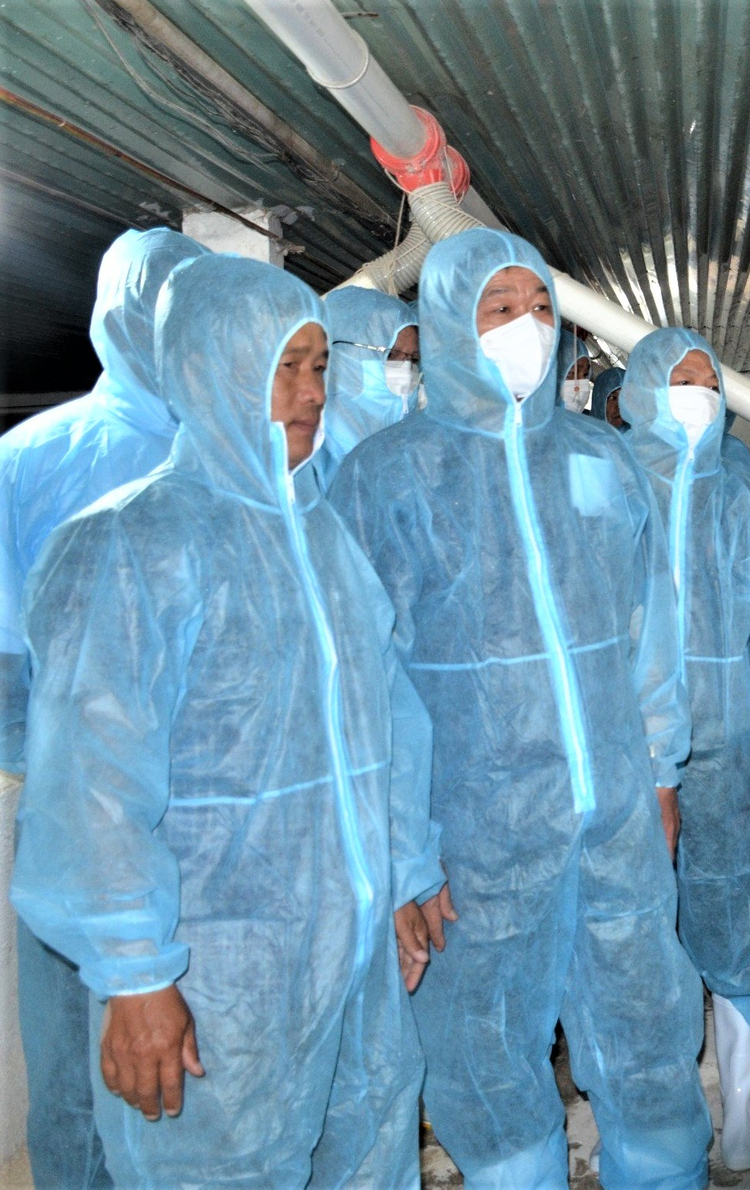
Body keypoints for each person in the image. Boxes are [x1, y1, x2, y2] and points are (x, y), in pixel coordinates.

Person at [9, 254, 441, 1188]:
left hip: (355, 951)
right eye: (283, 366)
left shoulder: (323, 535)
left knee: (367, 1154)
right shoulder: (130, 544)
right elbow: (91, 786)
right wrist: (134, 973)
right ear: (209, 368)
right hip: (217, 978)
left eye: (320, 366)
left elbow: (384, 732)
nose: (310, 393)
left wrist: (402, 874)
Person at [329, 229, 709, 1190]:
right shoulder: (387, 477)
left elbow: (646, 628)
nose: (527, 328)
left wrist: (661, 769)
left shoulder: (599, 458)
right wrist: (408, 856)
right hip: (476, 835)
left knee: (648, 1028)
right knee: (485, 1051)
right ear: (451, 325)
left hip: (616, 812)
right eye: (499, 310)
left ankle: (664, 1174)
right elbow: (368, 688)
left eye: (539, 307)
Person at [0, 225, 207, 1190]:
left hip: (222, 825)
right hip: (82, 822)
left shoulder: (249, 460)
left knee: (196, 1081)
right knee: (84, 1081)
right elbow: (6, 676)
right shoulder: (31, 460)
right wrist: (84, 799)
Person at [624, 328, 750, 1173]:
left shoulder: (745, 500)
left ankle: (739, 1106)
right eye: (679, 379)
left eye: (708, 378)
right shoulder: (608, 484)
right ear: (640, 392)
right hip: (624, 756)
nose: (698, 392)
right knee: (636, 932)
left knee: (745, 918)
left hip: (734, 745)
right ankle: (662, 1115)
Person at [312, 286, 419, 488]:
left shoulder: (406, 440)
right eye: (391, 355)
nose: (404, 369)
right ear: (345, 353)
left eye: (413, 359)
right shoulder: (310, 441)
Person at [593, 365, 627, 429]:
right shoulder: (581, 436)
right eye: (613, 398)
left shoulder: (642, 436)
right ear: (599, 402)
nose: (619, 406)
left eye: (625, 397)